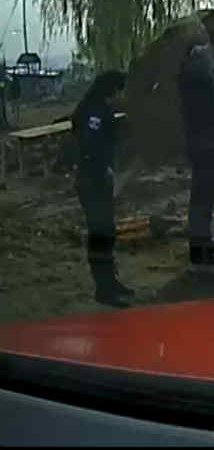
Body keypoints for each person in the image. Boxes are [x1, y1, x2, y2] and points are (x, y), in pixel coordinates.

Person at [71, 70, 133, 307]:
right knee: (99, 233)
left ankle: (111, 281)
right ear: (113, 90)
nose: (123, 95)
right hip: (91, 181)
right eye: (121, 90)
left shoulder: (101, 109)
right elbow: (88, 145)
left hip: (99, 181)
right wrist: (102, 167)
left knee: (107, 231)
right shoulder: (95, 111)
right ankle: (103, 290)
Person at [179, 28, 214, 268]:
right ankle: (199, 246)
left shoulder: (196, 67)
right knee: (203, 191)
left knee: (207, 190)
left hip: (203, 137)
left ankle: (205, 241)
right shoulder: (198, 69)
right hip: (200, 137)